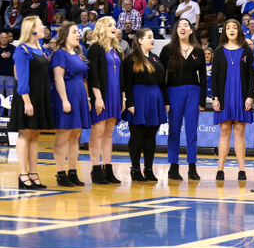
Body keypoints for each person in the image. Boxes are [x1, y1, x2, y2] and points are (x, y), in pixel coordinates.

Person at [9, 16, 54, 189]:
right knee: (25, 134)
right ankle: (23, 174)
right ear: (32, 29)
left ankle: (34, 173)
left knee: (35, 135)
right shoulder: (22, 50)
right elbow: (21, 78)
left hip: (41, 95)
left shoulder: (41, 48)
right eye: (41, 24)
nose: (44, 27)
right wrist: (27, 102)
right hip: (27, 96)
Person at [160, 18, 206, 181]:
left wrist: (202, 100)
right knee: (174, 130)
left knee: (192, 131)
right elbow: (161, 76)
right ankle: (173, 167)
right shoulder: (167, 50)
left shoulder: (199, 51)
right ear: (175, 30)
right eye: (179, 25)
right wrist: (165, 99)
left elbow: (203, 78)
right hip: (173, 91)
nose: (182, 27)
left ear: (191, 30)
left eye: (186, 25)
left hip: (194, 91)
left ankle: (192, 167)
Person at [123, 28, 169, 182]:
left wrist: (166, 101)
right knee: (137, 135)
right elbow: (127, 82)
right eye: (150, 37)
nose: (153, 39)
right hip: (139, 98)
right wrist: (130, 102)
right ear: (140, 40)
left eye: (153, 37)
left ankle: (148, 169)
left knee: (151, 135)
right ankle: (135, 169)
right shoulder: (131, 59)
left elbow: (162, 83)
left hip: (155, 98)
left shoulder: (156, 58)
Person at [211, 20, 254, 180]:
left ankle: (242, 169)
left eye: (234, 27)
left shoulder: (247, 51)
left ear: (239, 31)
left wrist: (250, 95)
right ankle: (220, 169)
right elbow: (214, 77)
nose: (231, 30)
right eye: (228, 28)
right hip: (223, 96)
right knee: (224, 131)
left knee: (239, 131)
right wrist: (215, 97)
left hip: (241, 96)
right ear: (224, 32)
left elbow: (252, 76)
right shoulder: (218, 51)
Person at [50, 21, 91, 187]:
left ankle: (73, 172)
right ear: (65, 35)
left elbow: (84, 78)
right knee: (63, 136)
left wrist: (87, 99)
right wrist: (65, 100)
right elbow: (58, 78)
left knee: (75, 136)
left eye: (78, 32)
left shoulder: (78, 53)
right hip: (65, 96)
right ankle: (61, 174)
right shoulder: (60, 54)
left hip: (79, 96)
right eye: (74, 32)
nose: (78, 35)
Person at [87, 16, 125, 185]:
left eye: (115, 25)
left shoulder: (117, 51)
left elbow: (121, 76)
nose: (114, 28)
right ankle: (95, 170)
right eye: (110, 25)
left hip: (115, 95)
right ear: (102, 28)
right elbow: (93, 74)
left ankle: (107, 169)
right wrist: (97, 97)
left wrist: (123, 97)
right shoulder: (95, 48)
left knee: (109, 133)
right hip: (102, 94)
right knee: (98, 131)